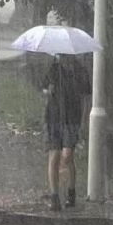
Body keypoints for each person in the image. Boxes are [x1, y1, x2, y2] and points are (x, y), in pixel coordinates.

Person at [43, 55, 91, 211]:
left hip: (72, 119)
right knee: (54, 155)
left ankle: (71, 191)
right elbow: (43, 87)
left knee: (67, 155)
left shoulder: (79, 71)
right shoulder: (53, 69)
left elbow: (85, 96)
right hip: (54, 117)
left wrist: (83, 120)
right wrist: (47, 91)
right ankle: (54, 196)